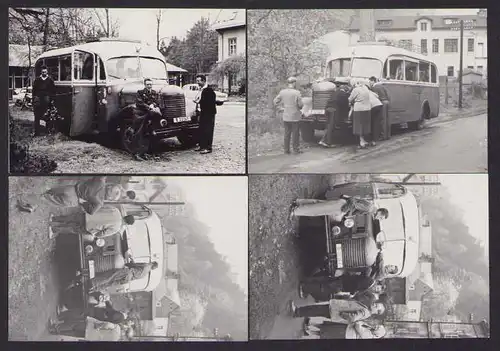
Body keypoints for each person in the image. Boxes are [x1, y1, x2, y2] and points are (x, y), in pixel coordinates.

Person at [17, 176, 114, 215]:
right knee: (46, 199)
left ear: (110, 186)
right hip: (73, 201)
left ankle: (29, 203)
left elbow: (102, 174)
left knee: (49, 192)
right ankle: (28, 202)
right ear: (110, 198)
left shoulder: (101, 181)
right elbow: (91, 212)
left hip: (71, 189)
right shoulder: (100, 203)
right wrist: (83, 203)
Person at [290, 290, 385, 324]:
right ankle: (297, 312)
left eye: (376, 306)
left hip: (335, 311)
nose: (374, 304)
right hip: (335, 309)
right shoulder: (367, 309)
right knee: (315, 310)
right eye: (376, 303)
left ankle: (297, 312)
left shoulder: (365, 312)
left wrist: (341, 313)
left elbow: (352, 318)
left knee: (314, 310)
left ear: (376, 312)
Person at [49, 204, 135, 240]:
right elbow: (103, 233)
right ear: (127, 223)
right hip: (90, 228)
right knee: (72, 229)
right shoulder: (116, 228)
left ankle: (53, 219)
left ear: (126, 216)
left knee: (71, 217)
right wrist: (95, 235)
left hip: (88, 215)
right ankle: (54, 230)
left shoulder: (115, 210)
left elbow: (101, 207)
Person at [130, 78, 161, 161]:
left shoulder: (154, 93)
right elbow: (139, 103)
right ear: (145, 85)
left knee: (148, 134)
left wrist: (153, 104)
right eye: (148, 84)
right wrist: (149, 106)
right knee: (139, 134)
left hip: (149, 116)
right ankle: (137, 154)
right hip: (141, 116)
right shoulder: (140, 92)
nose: (149, 86)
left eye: (150, 84)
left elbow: (157, 101)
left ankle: (143, 153)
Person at [289, 196, 389, 222]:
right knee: (317, 210)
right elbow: (353, 203)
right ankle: (295, 211)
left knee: (318, 204)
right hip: (340, 207)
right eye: (381, 217)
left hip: (341, 204)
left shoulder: (370, 208)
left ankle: (298, 202)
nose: (379, 219)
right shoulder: (370, 208)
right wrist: (345, 212)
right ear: (380, 212)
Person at [274, 77, 304, 154]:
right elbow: (300, 105)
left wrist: (280, 108)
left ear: (288, 83)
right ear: (294, 83)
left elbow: (275, 101)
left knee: (287, 133)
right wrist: (300, 106)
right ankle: (296, 150)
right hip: (295, 116)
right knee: (295, 133)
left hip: (286, 116)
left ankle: (286, 150)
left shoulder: (282, 92)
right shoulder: (297, 93)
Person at [299, 272, 377, 302]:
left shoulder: (366, 278)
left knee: (324, 280)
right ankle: (305, 288)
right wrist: (353, 293)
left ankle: (306, 281)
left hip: (343, 278)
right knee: (324, 288)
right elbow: (355, 288)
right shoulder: (364, 285)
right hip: (342, 285)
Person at [194, 74, 217, 154]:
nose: (197, 83)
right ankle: (202, 146)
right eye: (197, 81)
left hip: (209, 113)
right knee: (202, 129)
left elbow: (210, 102)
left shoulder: (209, 90)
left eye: (198, 81)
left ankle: (208, 148)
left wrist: (200, 102)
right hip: (203, 112)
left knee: (208, 130)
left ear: (203, 81)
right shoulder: (202, 89)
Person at [348, 79, 372, 149]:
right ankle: (364, 140)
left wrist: (350, 102)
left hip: (359, 109)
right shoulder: (366, 88)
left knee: (359, 125)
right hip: (367, 108)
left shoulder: (356, 90)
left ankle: (361, 141)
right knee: (365, 125)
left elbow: (350, 99)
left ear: (356, 83)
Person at [32, 65, 56, 136]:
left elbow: (53, 91)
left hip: (46, 99)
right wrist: (34, 98)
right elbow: (34, 90)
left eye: (45, 72)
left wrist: (52, 99)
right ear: (41, 72)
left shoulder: (50, 80)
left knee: (47, 115)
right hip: (38, 99)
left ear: (47, 72)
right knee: (37, 116)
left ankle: (47, 131)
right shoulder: (37, 80)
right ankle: (37, 132)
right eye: (42, 72)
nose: (44, 73)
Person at [305, 319, 386, 339]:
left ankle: (310, 332)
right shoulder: (370, 328)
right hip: (346, 327)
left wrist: (359, 322)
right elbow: (359, 323)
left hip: (346, 333)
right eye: (377, 325)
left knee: (327, 333)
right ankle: (311, 324)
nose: (376, 326)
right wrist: (360, 322)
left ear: (377, 333)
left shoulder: (369, 336)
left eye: (377, 328)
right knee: (328, 326)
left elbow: (358, 326)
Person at [318, 83, 338, 147]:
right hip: (332, 110)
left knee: (328, 126)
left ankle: (323, 140)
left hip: (327, 110)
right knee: (330, 127)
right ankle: (327, 142)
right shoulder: (336, 94)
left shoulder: (330, 94)